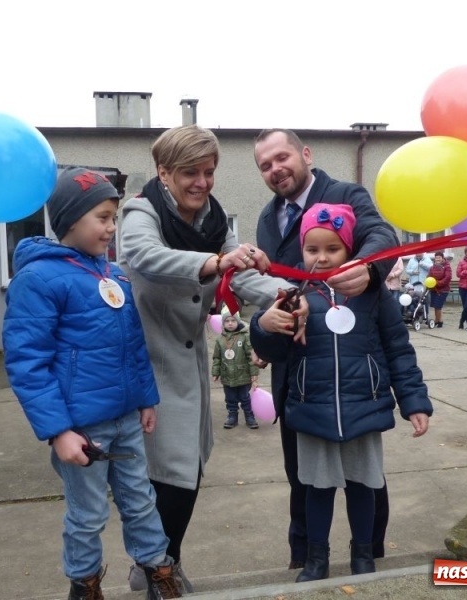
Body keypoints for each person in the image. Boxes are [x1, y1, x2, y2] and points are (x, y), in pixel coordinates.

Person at [119, 125, 294, 592]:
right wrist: (215, 262)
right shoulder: (141, 210)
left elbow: (237, 278)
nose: (202, 182)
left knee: (189, 469)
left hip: (191, 361)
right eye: (190, 173)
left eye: (209, 172)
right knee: (165, 474)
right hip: (150, 361)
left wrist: (288, 293)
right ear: (163, 172)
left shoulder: (216, 219)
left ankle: (160, 560)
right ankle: (159, 566)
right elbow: (143, 256)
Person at [1, 167, 183, 600]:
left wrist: (144, 399)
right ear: (70, 220)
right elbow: (27, 362)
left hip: (124, 419)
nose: (111, 227)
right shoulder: (39, 279)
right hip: (81, 429)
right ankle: (84, 585)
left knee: (141, 501)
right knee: (87, 514)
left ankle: (158, 572)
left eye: (113, 217)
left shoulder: (113, 275)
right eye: (102, 217)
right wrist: (58, 431)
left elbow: (132, 345)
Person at [250, 203, 432, 582]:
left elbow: (398, 349)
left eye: (332, 249)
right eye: (312, 249)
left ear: (349, 250)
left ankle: (362, 554)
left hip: (363, 409)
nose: (321, 257)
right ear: (302, 251)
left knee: (363, 486)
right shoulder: (294, 295)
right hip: (312, 411)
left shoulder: (373, 293)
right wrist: (266, 325)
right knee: (316, 490)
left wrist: (414, 401)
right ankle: (317, 558)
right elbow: (273, 352)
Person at [252, 128, 400, 569]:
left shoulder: (346, 194)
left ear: (305, 154)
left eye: (282, 157)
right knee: (303, 475)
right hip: (299, 375)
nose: (276, 169)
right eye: (264, 165)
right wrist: (268, 326)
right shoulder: (267, 217)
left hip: (354, 376)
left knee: (364, 478)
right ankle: (307, 557)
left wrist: (367, 269)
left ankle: (366, 554)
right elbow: (274, 284)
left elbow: (381, 235)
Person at [212, 312, 259, 430]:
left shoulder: (245, 337)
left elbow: (251, 356)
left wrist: (254, 373)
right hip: (227, 376)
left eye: (233, 321)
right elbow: (217, 357)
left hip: (243, 375)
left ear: (238, 322)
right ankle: (232, 416)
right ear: (223, 324)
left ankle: (249, 416)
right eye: (227, 321)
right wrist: (216, 372)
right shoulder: (220, 340)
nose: (230, 323)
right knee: (230, 398)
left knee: (245, 397)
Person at [428, 252, 452, 328]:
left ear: (442, 258)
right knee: (436, 306)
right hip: (434, 289)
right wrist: (428, 282)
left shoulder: (447, 267)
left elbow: (447, 278)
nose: (437, 259)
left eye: (439, 257)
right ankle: (439, 320)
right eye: (436, 257)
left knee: (438, 306)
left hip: (443, 289)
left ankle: (438, 321)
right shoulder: (432, 267)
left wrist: (437, 283)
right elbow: (429, 276)